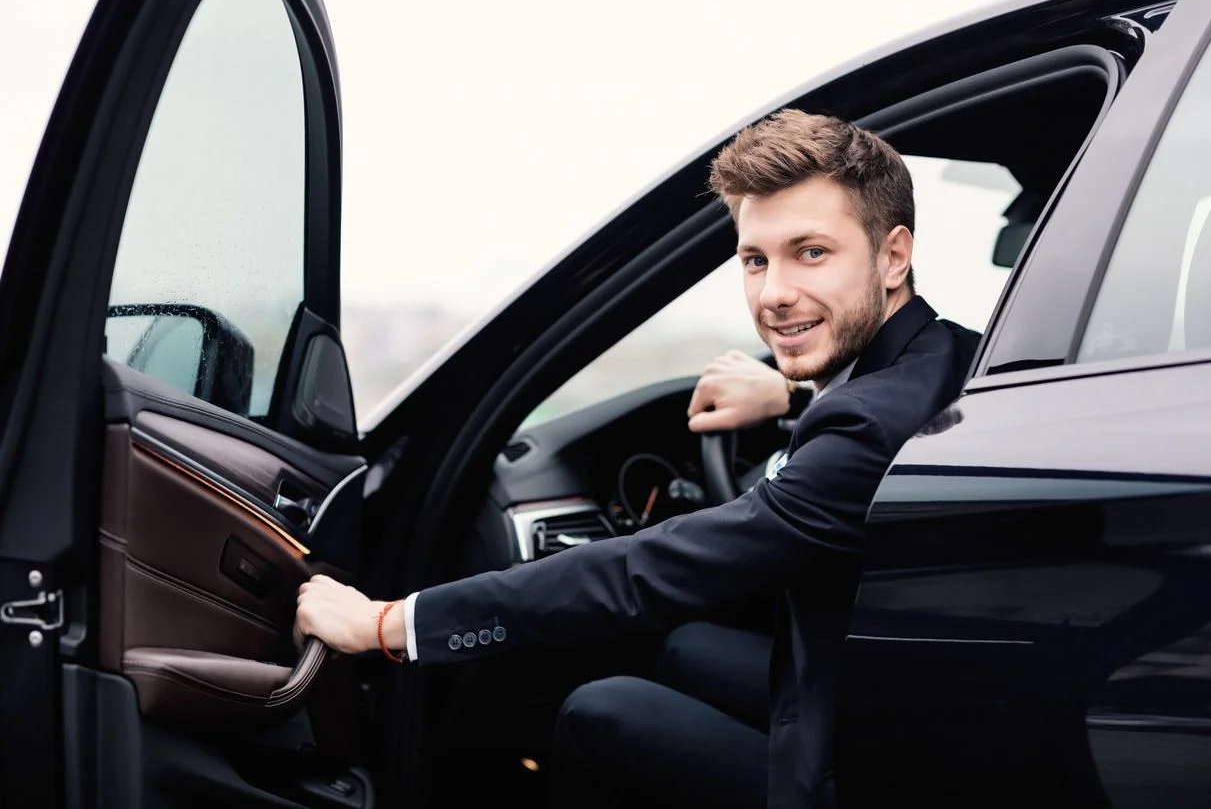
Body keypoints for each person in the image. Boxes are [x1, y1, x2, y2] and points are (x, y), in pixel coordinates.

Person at [293, 109, 980, 808]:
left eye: (811, 253)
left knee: (603, 713)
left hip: (859, 767)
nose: (774, 293)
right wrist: (789, 396)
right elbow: (877, 421)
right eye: (755, 259)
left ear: (894, 255)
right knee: (683, 645)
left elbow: (642, 571)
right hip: (903, 691)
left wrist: (387, 624)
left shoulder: (863, 426)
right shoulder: (951, 355)